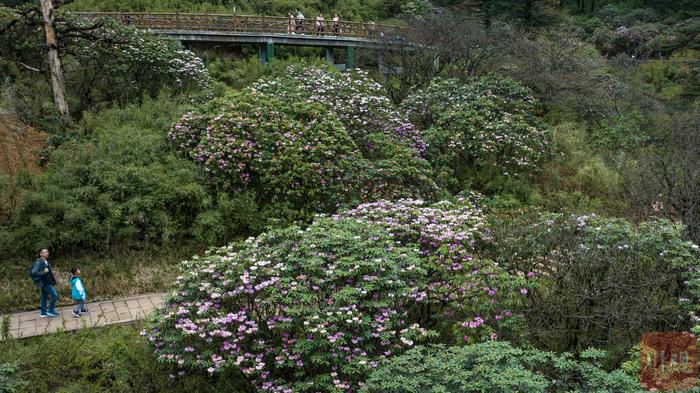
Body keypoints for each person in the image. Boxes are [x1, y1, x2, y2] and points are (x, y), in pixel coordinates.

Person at [30, 248, 59, 318]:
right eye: (45, 252)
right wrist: (43, 272)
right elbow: (33, 272)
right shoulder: (38, 262)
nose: (47, 253)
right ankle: (51, 311)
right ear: (41, 254)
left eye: (47, 251)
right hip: (44, 283)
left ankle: (43, 313)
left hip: (47, 282)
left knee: (44, 297)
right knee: (55, 295)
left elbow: (48, 272)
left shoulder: (45, 261)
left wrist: (53, 279)